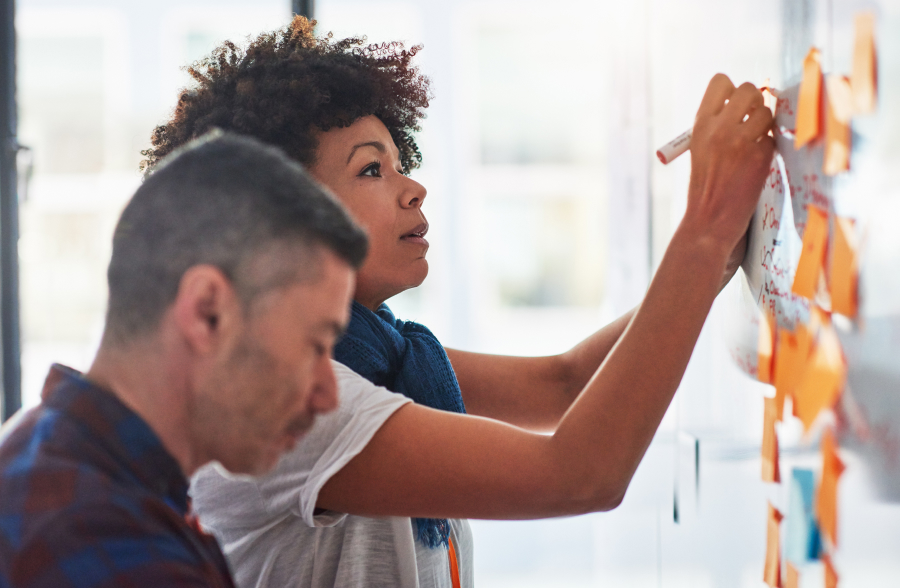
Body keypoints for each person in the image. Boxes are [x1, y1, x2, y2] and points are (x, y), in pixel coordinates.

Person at [143, 17, 774, 588]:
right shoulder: (279, 400)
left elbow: (565, 384)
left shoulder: (380, 357)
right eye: (372, 171)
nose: (413, 188)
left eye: (399, 163)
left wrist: (715, 259)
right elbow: (579, 474)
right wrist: (704, 226)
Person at [0, 133, 369, 588]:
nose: (328, 396)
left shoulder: (60, 461)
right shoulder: (104, 541)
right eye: (314, 346)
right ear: (208, 312)